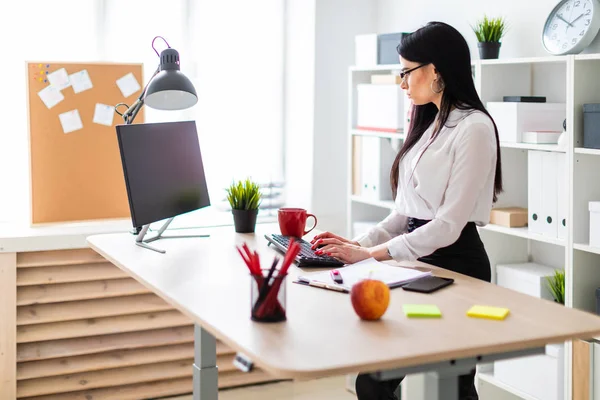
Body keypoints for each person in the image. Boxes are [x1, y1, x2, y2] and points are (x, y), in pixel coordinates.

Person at [310, 21, 502, 400]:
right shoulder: (429, 123)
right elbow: (403, 215)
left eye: (406, 71)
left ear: (435, 70)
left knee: (454, 386)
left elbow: (447, 225)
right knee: (374, 380)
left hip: (458, 266)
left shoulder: (475, 128)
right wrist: (356, 245)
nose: (401, 82)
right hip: (417, 265)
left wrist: (369, 255)